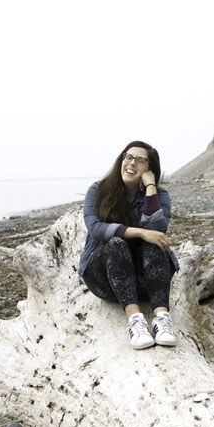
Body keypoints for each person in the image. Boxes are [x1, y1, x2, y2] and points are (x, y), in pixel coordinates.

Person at [79, 141, 179, 349]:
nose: (132, 163)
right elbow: (96, 228)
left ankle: (162, 319)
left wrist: (150, 187)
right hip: (105, 280)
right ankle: (136, 321)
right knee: (116, 243)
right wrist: (141, 232)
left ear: (149, 168)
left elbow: (159, 229)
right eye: (128, 157)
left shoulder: (159, 195)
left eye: (140, 160)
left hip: (146, 282)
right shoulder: (98, 190)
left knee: (155, 244)